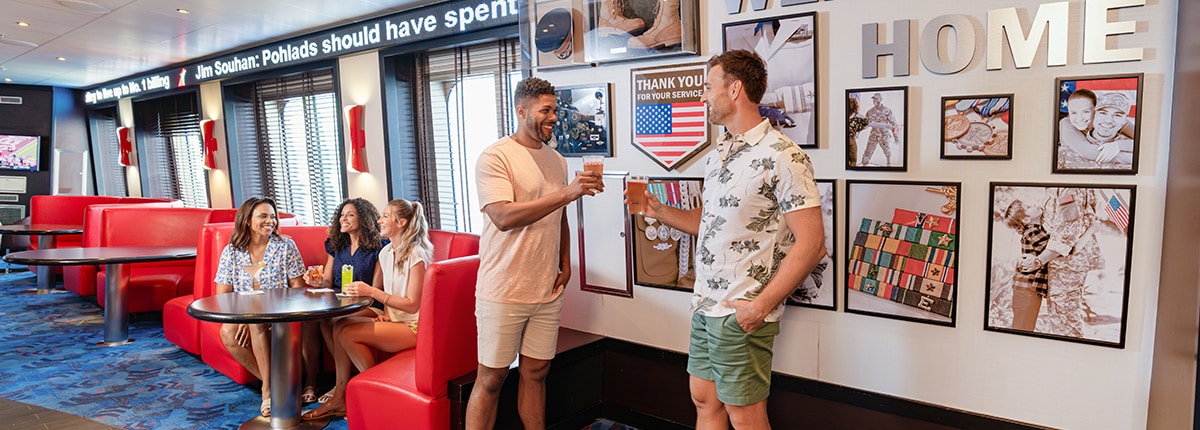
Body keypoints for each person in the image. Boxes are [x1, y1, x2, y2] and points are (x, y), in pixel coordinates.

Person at [630, 50, 824, 429]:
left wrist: (760, 306)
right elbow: (715, 220)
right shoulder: (720, 151)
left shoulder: (785, 156)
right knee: (704, 401)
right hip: (705, 304)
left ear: (734, 89)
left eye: (707, 86)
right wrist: (662, 211)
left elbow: (813, 244)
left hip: (743, 310)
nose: (702, 97)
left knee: (746, 417)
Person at [465, 76, 603, 430]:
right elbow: (503, 217)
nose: (554, 117)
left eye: (555, 109)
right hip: (503, 289)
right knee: (491, 379)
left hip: (546, 288)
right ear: (521, 110)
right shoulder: (495, 157)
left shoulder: (557, 160)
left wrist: (565, 260)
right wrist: (566, 194)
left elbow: (560, 216)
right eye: (546, 110)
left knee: (537, 372)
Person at [302, 199, 432, 421]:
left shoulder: (416, 255)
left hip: (414, 326)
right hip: (396, 320)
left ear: (401, 223)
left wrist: (372, 293)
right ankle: (342, 396)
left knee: (347, 331)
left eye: (385, 216)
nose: (379, 220)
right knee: (340, 326)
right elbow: (392, 296)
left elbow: (412, 304)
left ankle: (371, 395)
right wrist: (386, 314)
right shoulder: (387, 252)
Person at [213, 197, 307, 418]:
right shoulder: (232, 251)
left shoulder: (285, 246)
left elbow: (298, 288)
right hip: (248, 312)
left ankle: (267, 391)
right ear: (247, 221)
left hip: (281, 311)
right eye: (263, 216)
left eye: (273, 216)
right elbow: (223, 295)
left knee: (256, 324)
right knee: (227, 331)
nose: (270, 221)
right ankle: (277, 386)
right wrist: (243, 318)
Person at [301, 198, 386, 407]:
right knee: (321, 321)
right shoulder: (337, 245)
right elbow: (327, 281)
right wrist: (315, 281)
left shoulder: (379, 247)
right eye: (342, 215)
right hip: (338, 303)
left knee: (336, 322)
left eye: (350, 215)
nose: (343, 219)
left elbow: (376, 290)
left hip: (368, 305)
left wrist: (358, 298)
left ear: (363, 219)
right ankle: (341, 383)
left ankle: (343, 385)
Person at [1027, 188, 1104, 338]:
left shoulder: (1069, 188)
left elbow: (1067, 232)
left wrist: (1038, 261)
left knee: (1065, 322)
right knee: (1062, 319)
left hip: (1066, 264)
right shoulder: (1059, 186)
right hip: (1061, 262)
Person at [1002, 199, 1050, 331]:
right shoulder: (1033, 233)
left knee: (1023, 324)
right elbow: (1057, 247)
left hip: (1025, 288)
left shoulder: (1033, 231)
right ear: (1026, 220)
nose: (1035, 203)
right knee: (1024, 326)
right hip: (1028, 288)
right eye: (1029, 206)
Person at [1057, 89, 1134, 169]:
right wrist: (1131, 158)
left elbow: (1143, 141)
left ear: (1094, 111)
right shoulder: (1067, 124)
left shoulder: (1118, 121)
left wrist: (1119, 145)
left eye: (1086, 111)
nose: (1079, 118)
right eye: (1073, 112)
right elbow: (1087, 151)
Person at [861, 92, 898, 166]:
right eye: (873, 99)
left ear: (881, 99)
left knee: (887, 151)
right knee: (868, 151)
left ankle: (889, 163)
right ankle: (863, 166)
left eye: (876, 99)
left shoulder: (887, 110)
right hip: (873, 135)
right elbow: (865, 123)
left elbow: (893, 124)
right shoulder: (870, 111)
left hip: (884, 135)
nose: (874, 100)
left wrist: (895, 136)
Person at [846, 95, 867, 167]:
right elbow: (867, 124)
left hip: (841, 141)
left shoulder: (841, 116)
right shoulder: (858, 117)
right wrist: (858, 129)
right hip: (851, 140)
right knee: (853, 161)